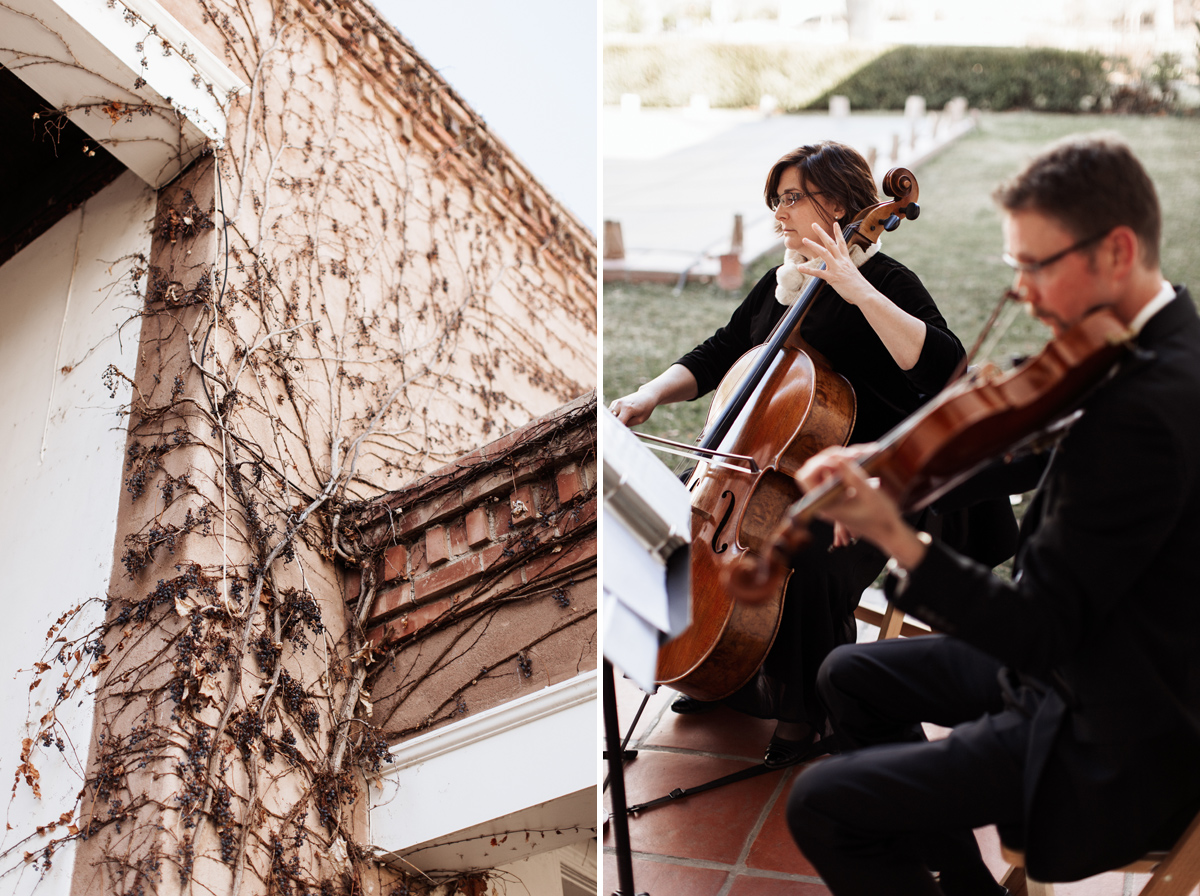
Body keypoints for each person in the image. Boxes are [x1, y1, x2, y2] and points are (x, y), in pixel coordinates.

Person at [786, 133, 1200, 896]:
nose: (1026, 296)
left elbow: (1039, 627)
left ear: (1116, 250)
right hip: (1090, 650)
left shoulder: (1149, 411)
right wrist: (894, 473)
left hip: (1106, 718)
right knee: (849, 674)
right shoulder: (1157, 336)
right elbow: (1037, 452)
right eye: (1017, 270)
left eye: (1036, 268)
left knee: (822, 804)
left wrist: (898, 541)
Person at [609, 141, 973, 767]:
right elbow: (719, 351)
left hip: (869, 484)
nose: (777, 215)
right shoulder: (782, 285)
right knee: (661, 527)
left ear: (836, 201)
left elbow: (943, 367)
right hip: (758, 471)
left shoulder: (887, 282)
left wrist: (854, 289)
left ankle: (803, 714)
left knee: (805, 568)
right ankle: (713, 669)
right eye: (775, 201)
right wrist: (647, 395)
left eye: (789, 199)